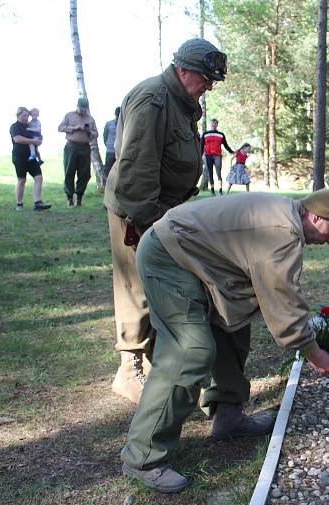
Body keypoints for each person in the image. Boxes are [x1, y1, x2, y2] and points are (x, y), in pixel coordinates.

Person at [120, 188, 329, 492]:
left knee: (233, 327)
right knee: (189, 351)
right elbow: (285, 305)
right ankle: (142, 456)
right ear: (316, 215)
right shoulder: (282, 233)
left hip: (199, 259)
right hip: (168, 257)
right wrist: (314, 352)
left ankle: (228, 417)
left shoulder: (286, 219)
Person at [104, 38, 227, 404]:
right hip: (138, 208)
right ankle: (129, 369)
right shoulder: (153, 99)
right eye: (206, 78)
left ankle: (159, 361)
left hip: (165, 209)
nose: (209, 86)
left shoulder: (182, 100)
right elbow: (136, 168)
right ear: (183, 69)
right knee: (137, 287)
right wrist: (149, 225)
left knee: (162, 283)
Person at [9, 107, 52, 212]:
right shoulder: (15, 126)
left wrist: (39, 141)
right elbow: (17, 139)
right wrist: (31, 140)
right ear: (18, 115)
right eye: (24, 115)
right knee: (22, 180)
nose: (26, 117)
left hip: (32, 157)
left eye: (27, 116)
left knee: (39, 178)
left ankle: (37, 203)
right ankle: (19, 204)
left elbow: (39, 137)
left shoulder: (30, 125)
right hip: (19, 156)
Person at [58, 97, 98, 208]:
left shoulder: (90, 119)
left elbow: (96, 134)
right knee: (69, 171)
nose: (83, 111)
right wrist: (74, 128)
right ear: (77, 106)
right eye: (81, 108)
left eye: (85, 109)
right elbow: (60, 128)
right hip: (72, 146)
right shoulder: (69, 115)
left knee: (85, 174)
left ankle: (79, 198)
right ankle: (69, 198)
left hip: (85, 147)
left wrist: (89, 131)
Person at [201, 118, 234, 195]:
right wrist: (200, 155)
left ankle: (220, 189)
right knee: (210, 172)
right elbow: (201, 146)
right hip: (208, 155)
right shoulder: (205, 134)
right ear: (210, 124)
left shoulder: (221, 134)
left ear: (217, 125)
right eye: (212, 123)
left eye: (215, 123)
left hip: (217, 156)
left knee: (218, 172)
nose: (214, 125)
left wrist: (232, 152)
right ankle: (212, 190)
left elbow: (226, 145)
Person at [103, 106, 120, 179]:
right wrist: (108, 145)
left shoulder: (125, 124)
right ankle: (106, 185)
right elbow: (105, 136)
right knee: (108, 169)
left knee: (119, 170)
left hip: (120, 151)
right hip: (110, 150)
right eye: (117, 116)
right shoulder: (109, 124)